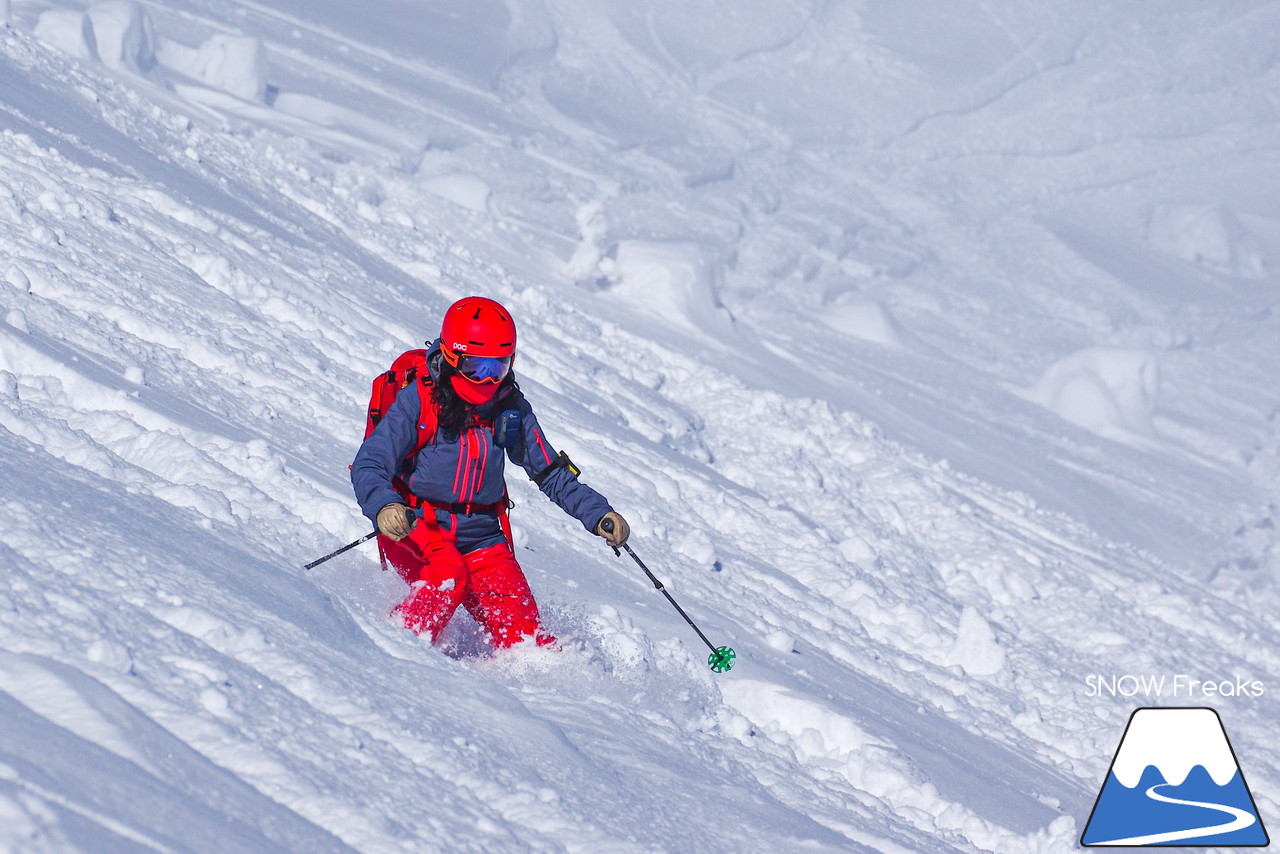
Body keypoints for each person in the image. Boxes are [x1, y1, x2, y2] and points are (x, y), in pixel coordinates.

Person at [351, 296, 629, 649]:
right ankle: (392, 648)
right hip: (415, 525)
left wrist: (598, 512)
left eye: (496, 367)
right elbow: (370, 463)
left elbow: (549, 471)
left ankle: (538, 691)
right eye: (475, 367)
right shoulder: (419, 400)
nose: (487, 379)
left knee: (524, 637)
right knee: (448, 574)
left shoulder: (509, 406)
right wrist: (384, 507)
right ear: (452, 358)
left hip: (481, 536)